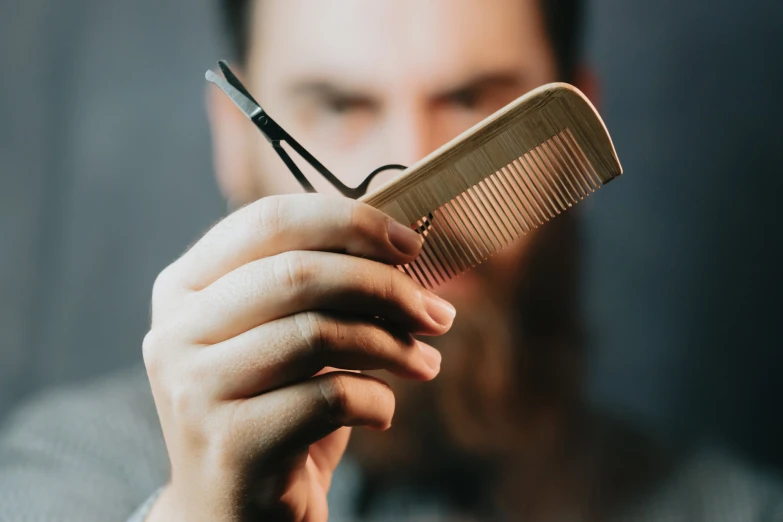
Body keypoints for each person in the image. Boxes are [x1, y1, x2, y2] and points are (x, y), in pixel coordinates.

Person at [1, 0, 781, 520]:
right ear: (234, 140)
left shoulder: (734, 510)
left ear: (575, 117)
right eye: (340, 108)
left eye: (475, 101)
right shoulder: (69, 472)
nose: (411, 168)